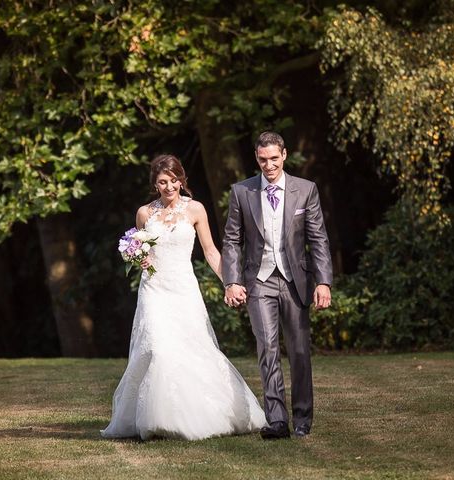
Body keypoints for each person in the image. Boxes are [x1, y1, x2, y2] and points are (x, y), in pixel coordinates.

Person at [101, 154, 267, 441]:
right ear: (155, 184)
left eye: (174, 180)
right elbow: (141, 248)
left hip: (183, 287)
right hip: (153, 288)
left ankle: (200, 415)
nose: (169, 187)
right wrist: (138, 257)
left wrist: (231, 282)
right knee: (157, 348)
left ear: (182, 179)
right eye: (162, 182)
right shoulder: (144, 213)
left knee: (193, 348)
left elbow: (211, 252)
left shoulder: (196, 210)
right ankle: (159, 418)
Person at [222, 131, 333, 440]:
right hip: (259, 281)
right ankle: (277, 420)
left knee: (298, 350)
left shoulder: (305, 190)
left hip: (295, 279)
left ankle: (302, 419)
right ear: (256, 159)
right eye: (262, 160)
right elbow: (232, 240)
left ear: (284, 155)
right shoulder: (242, 192)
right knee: (267, 347)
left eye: (274, 158)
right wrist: (232, 280)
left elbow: (318, 239)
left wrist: (323, 281)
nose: (269, 165)